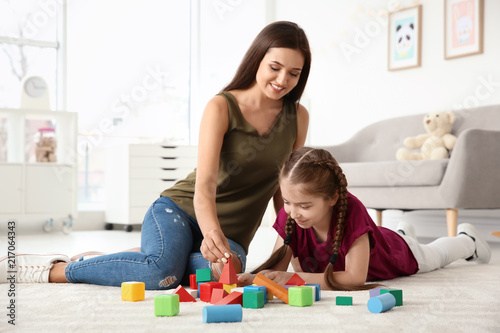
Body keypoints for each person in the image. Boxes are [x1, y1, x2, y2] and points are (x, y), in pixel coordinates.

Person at [0, 21, 311, 289]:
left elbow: (286, 191)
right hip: (179, 210)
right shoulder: (222, 107)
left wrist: (287, 248)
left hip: (233, 236)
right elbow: (204, 185)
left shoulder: (297, 117)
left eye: (294, 73)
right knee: (164, 272)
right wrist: (211, 232)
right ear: (257, 59)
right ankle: (51, 269)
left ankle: (130, 259)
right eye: (275, 67)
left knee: (221, 277)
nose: (283, 80)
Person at [238, 147, 492, 290]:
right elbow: (278, 269)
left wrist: (295, 280)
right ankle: (403, 233)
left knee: (435, 255)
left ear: (333, 197)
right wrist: (254, 278)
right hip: (379, 240)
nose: (293, 212)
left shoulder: (352, 211)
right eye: (288, 202)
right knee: (395, 238)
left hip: (398, 255)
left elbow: (354, 278)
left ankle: (467, 240)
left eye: (304, 205)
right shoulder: (292, 216)